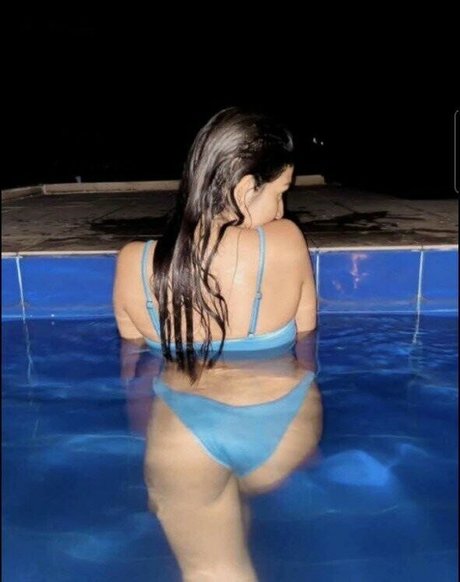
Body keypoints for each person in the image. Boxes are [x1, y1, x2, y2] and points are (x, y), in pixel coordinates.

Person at [113, 107, 321, 581]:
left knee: (213, 568)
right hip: (284, 429)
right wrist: (310, 432)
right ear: (247, 188)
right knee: (228, 519)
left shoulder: (133, 264)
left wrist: (153, 457)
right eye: (280, 192)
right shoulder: (286, 241)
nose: (282, 210)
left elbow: (135, 372)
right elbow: (307, 346)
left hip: (183, 442)